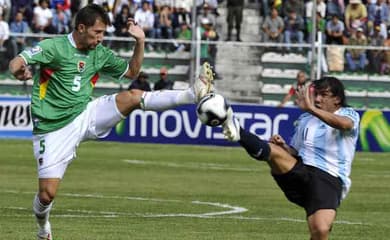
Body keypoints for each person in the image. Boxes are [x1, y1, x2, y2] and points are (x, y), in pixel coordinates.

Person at [8, 4, 215, 240]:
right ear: (81, 28)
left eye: (103, 33)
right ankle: (43, 229)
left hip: (85, 113)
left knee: (132, 97)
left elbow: (132, 72)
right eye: (97, 33)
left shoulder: (99, 54)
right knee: (47, 195)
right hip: (52, 129)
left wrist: (140, 41)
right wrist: (19, 70)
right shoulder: (54, 47)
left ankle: (192, 93)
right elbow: (17, 61)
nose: (101, 38)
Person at [222, 76, 360, 240]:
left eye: (323, 95)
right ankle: (237, 130)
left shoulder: (348, 114)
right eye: (316, 94)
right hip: (301, 172)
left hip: (328, 178)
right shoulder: (304, 119)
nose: (317, 98)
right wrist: (285, 147)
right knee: (274, 151)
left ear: (337, 99)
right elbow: (296, 151)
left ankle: (238, 130)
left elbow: (345, 125)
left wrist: (311, 109)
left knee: (320, 230)